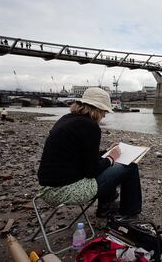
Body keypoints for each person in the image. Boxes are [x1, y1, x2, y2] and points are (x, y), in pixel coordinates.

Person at [38, 88, 142, 218]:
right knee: (130, 167)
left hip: (48, 189)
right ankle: (130, 211)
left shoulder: (66, 119)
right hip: (64, 191)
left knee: (109, 164)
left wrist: (106, 152)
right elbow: (91, 171)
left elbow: (81, 157)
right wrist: (110, 158)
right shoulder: (90, 126)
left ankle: (106, 207)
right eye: (104, 111)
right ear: (97, 109)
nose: (105, 115)